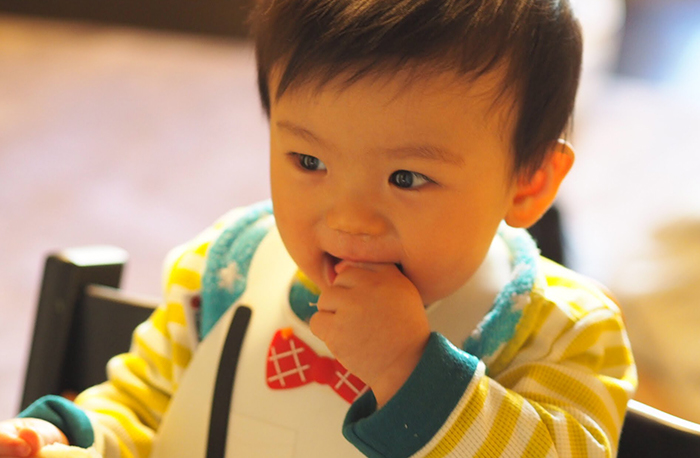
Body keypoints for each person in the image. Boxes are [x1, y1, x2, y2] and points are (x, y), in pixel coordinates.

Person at [0, 0, 637, 456]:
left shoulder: (561, 331)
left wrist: (410, 370)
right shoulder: (225, 271)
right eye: (309, 162)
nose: (348, 219)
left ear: (528, 182)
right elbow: (144, 412)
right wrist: (67, 439)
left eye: (407, 177)